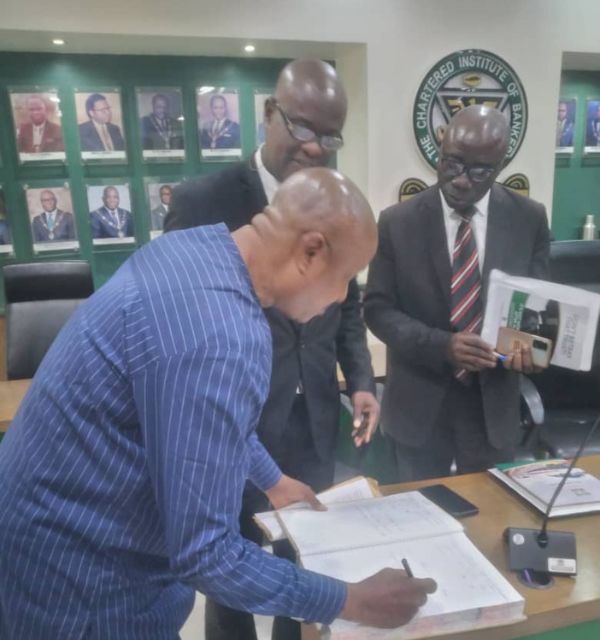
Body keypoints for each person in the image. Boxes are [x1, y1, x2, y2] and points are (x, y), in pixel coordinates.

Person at [0, 167, 437, 639]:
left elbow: (194, 416)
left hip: (40, 540)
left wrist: (272, 479)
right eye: (347, 278)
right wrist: (352, 602)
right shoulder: (222, 336)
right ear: (311, 251)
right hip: (86, 589)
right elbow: (206, 554)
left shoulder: (194, 249)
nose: (340, 297)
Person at [165, 58, 380, 640]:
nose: (315, 148)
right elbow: (185, 341)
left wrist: (359, 379)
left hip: (310, 418)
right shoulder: (200, 203)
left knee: (300, 557)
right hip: (234, 421)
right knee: (227, 564)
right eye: (303, 128)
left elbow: (347, 308)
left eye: (330, 136)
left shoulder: (336, 203)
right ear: (269, 115)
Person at [364, 105, 551, 482]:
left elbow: (539, 308)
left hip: (492, 407)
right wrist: (441, 346)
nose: (461, 180)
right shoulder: (397, 222)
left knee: (490, 517)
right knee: (416, 517)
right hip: (419, 404)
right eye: (451, 163)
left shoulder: (529, 218)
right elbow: (377, 309)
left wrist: (534, 348)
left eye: (479, 170)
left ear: (501, 165)